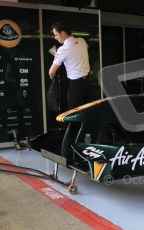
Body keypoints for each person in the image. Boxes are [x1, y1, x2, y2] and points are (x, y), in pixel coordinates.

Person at [49, 21, 90, 163]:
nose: (55, 37)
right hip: (86, 84)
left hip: (75, 87)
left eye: (55, 34)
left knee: (73, 120)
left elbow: (51, 72)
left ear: (63, 33)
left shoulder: (62, 50)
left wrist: (56, 63)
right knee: (88, 117)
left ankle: (65, 152)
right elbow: (81, 51)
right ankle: (82, 148)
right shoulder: (82, 41)